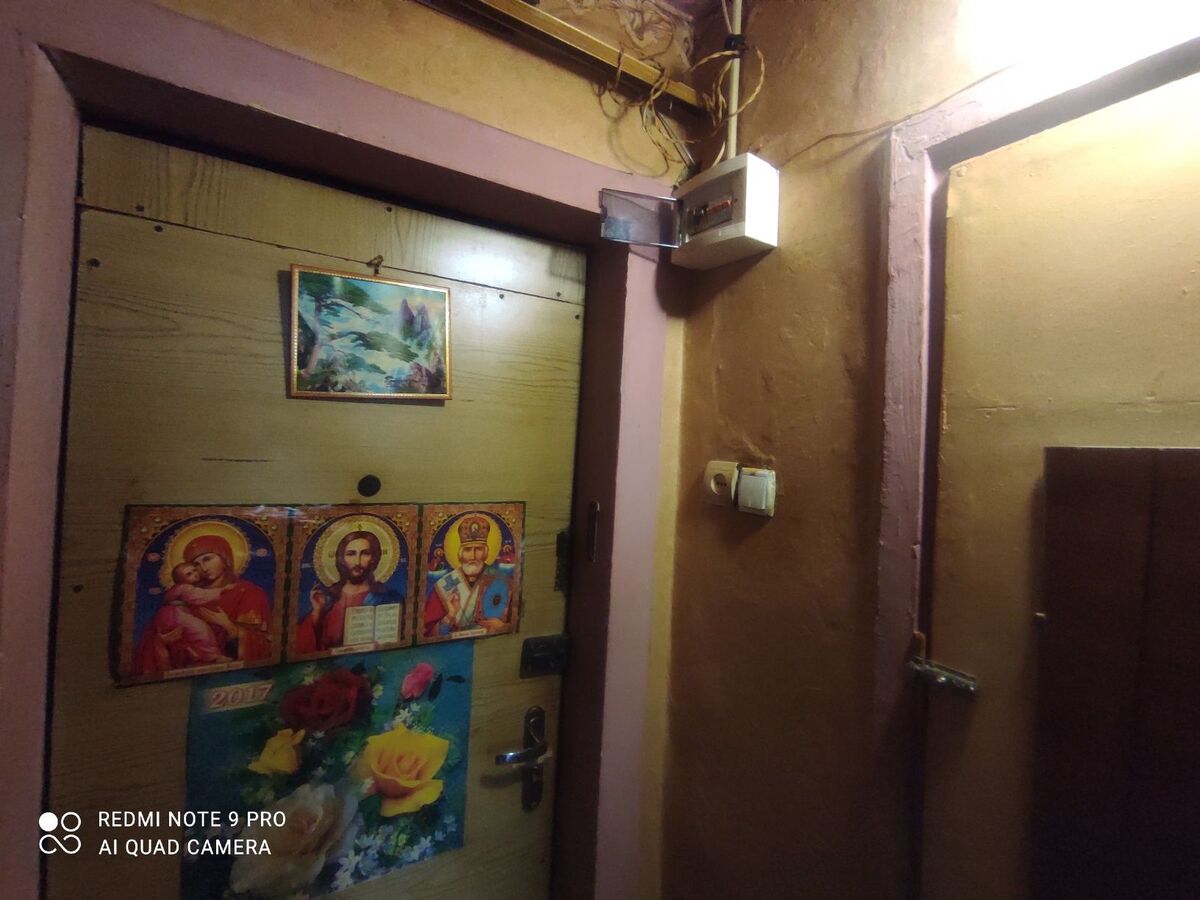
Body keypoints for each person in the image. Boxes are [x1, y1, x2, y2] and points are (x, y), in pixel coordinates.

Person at [295, 530, 401, 652]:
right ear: (342, 558)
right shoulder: (327, 598)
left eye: (365, 553)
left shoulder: (387, 597)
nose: (357, 562)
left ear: (374, 558)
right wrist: (317, 613)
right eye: (351, 554)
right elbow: (302, 646)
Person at [423, 514, 511, 638]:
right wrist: (450, 616)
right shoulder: (443, 586)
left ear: (486, 552)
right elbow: (428, 634)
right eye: (468, 550)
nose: (473, 556)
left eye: (478, 549)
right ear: (460, 553)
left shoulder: (501, 580)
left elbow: (513, 623)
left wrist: (502, 627)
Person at [133, 562, 230, 674]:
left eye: (194, 570)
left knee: (193, 634)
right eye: (189, 574)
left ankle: (197, 654)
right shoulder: (184, 588)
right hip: (174, 615)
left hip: (168, 617)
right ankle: (213, 656)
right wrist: (223, 591)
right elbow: (202, 596)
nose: (195, 574)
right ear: (181, 580)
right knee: (200, 630)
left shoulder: (179, 589)